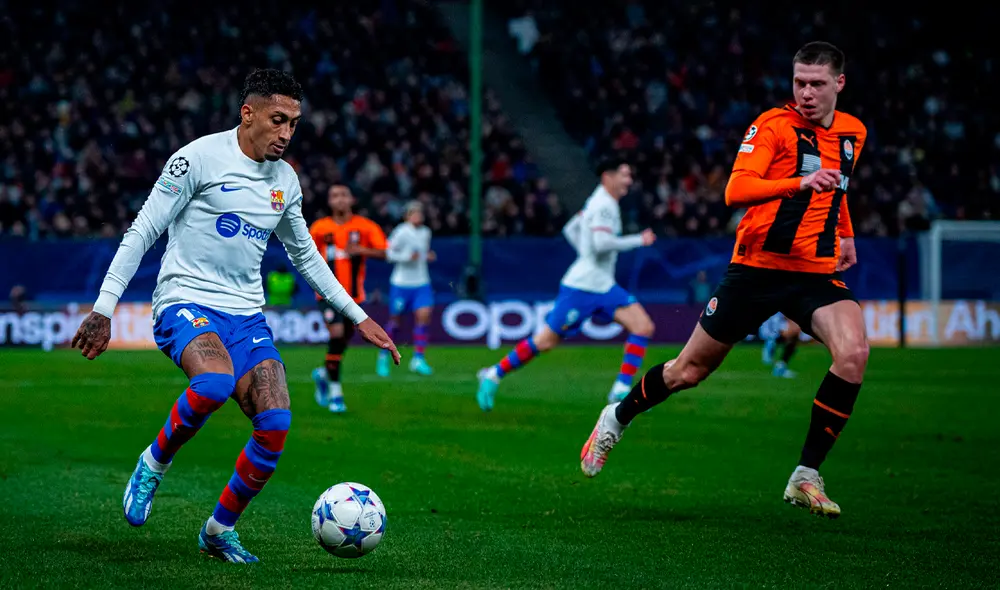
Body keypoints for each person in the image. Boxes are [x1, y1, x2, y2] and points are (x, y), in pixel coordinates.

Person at [70, 69, 399, 563]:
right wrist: (104, 307)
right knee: (213, 385)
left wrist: (357, 316)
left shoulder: (285, 181)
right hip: (185, 299)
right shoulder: (196, 159)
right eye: (278, 120)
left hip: (246, 316)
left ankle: (218, 531)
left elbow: (306, 256)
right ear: (248, 114)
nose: (287, 133)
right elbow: (142, 231)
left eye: (294, 123)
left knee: (276, 424)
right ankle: (152, 464)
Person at [579, 41, 869, 520]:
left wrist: (846, 234)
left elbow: (836, 189)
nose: (806, 93)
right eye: (799, 82)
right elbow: (736, 190)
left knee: (854, 353)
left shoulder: (853, 132)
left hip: (812, 272)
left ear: (839, 83)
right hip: (755, 271)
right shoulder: (772, 125)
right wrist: (795, 183)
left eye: (817, 84)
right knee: (687, 372)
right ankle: (616, 416)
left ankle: (806, 475)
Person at [475, 157, 657, 410]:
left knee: (643, 326)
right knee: (545, 341)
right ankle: (494, 374)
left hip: (602, 285)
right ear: (608, 177)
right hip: (582, 288)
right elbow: (601, 244)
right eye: (624, 175)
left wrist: (585, 256)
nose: (629, 180)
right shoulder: (604, 206)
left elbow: (571, 229)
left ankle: (620, 390)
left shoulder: (597, 202)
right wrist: (639, 240)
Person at [308, 184, 388, 413]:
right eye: (335, 196)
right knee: (337, 334)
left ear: (351, 199)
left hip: (354, 296)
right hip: (326, 294)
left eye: (344, 195)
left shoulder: (365, 227)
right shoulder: (320, 228)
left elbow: (385, 252)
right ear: (329, 201)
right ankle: (336, 394)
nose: (340, 200)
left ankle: (324, 374)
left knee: (342, 343)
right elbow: (305, 255)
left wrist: (362, 251)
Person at [379, 200, 436, 377]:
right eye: (415, 213)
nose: (418, 216)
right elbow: (388, 253)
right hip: (401, 283)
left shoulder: (426, 232)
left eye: (420, 212)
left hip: (422, 282)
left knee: (424, 317)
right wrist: (406, 257)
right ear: (407, 215)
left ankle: (418, 359)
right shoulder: (401, 232)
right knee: (395, 322)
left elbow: (422, 253)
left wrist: (427, 256)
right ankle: (383, 355)